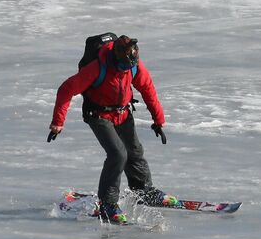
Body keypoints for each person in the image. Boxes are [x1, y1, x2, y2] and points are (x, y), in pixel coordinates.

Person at [48, 35, 177, 224]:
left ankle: (143, 191)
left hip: (123, 113)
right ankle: (107, 204)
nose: (127, 70)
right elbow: (66, 89)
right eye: (123, 67)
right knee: (118, 154)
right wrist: (58, 122)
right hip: (98, 115)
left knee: (134, 151)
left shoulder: (133, 65)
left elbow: (148, 88)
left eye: (130, 67)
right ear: (116, 58)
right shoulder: (97, 68)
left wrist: (158, 120)